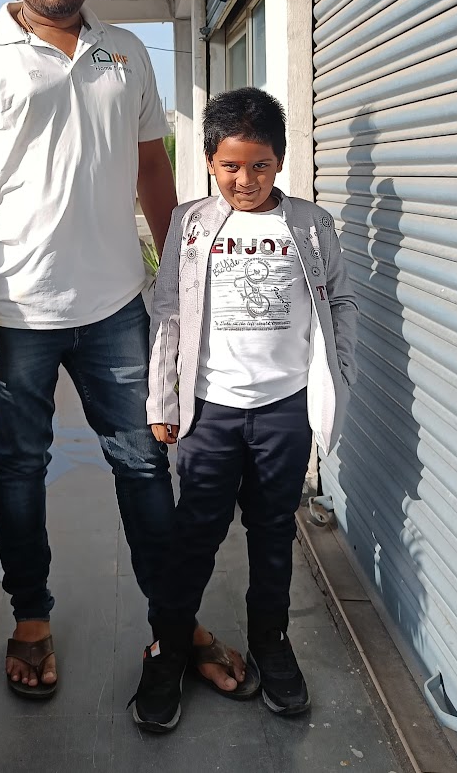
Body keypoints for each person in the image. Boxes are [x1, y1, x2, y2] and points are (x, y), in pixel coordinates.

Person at [0, 0, 244, 700]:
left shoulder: (125, 53)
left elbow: (152, 170)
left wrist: (180, 279)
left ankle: (175, 621)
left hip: (115, 309)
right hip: (13, 315)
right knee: (18, 469)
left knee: (144, 462)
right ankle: (31, 618)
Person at [130, 88, 358, 731]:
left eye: (260, 165)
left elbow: (341, 300)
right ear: (209, 161)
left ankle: (271, 644)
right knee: (194, 537)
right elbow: (168, 312)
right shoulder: (192, 224)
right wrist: (163, 397)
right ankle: (169, 650)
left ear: (280, 161)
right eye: (230, 166)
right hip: (211, 413)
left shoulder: (310, 225)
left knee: (273, 534)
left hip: (284, 412)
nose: (245, 180)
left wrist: (339, 373)